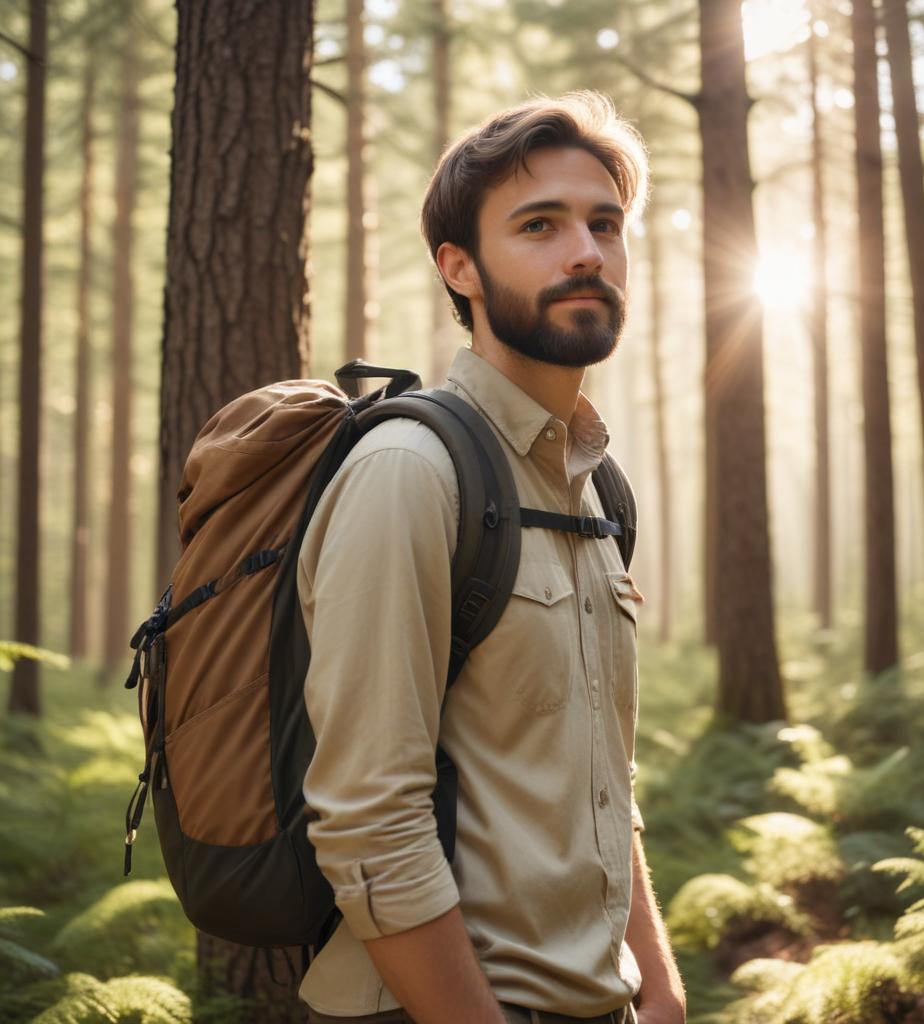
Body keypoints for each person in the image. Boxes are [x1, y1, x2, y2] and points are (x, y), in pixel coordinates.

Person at [297, 91, 686, 1024]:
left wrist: (657, 983)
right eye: (539, 225)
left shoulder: (593, 489)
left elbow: (600, 778)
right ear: (460, 267)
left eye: (604, 224)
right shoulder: (410, 473)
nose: (586, 252)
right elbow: (368, 821)